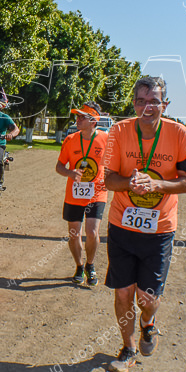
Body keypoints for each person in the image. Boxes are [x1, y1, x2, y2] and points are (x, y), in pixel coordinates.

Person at [102, 76, 186, 372]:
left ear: (164, 104)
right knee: (123, 294)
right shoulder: (118, 131)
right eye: (141, 101)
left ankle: (148, 322)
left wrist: (157, 184)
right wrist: (129, 182)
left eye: (154, 101)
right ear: (134, 104)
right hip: (122, 225)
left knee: (147, 298)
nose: (147, 107)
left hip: (159, 229)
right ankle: (128, 349)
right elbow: (108, 178)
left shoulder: (180, 134)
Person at [55, 102, 109, 286]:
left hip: (97, 193)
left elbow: (114, 164)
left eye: (82, 117)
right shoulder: (70, 140)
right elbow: (59, 166)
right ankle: (79, 266)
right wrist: (70, 173)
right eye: (77, 116)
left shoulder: (106, 139)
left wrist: (110, 178)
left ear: (94, 121)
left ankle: (90, 265)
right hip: (74, 194)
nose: (77, 119)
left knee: (92, 232)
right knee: (74, 233)